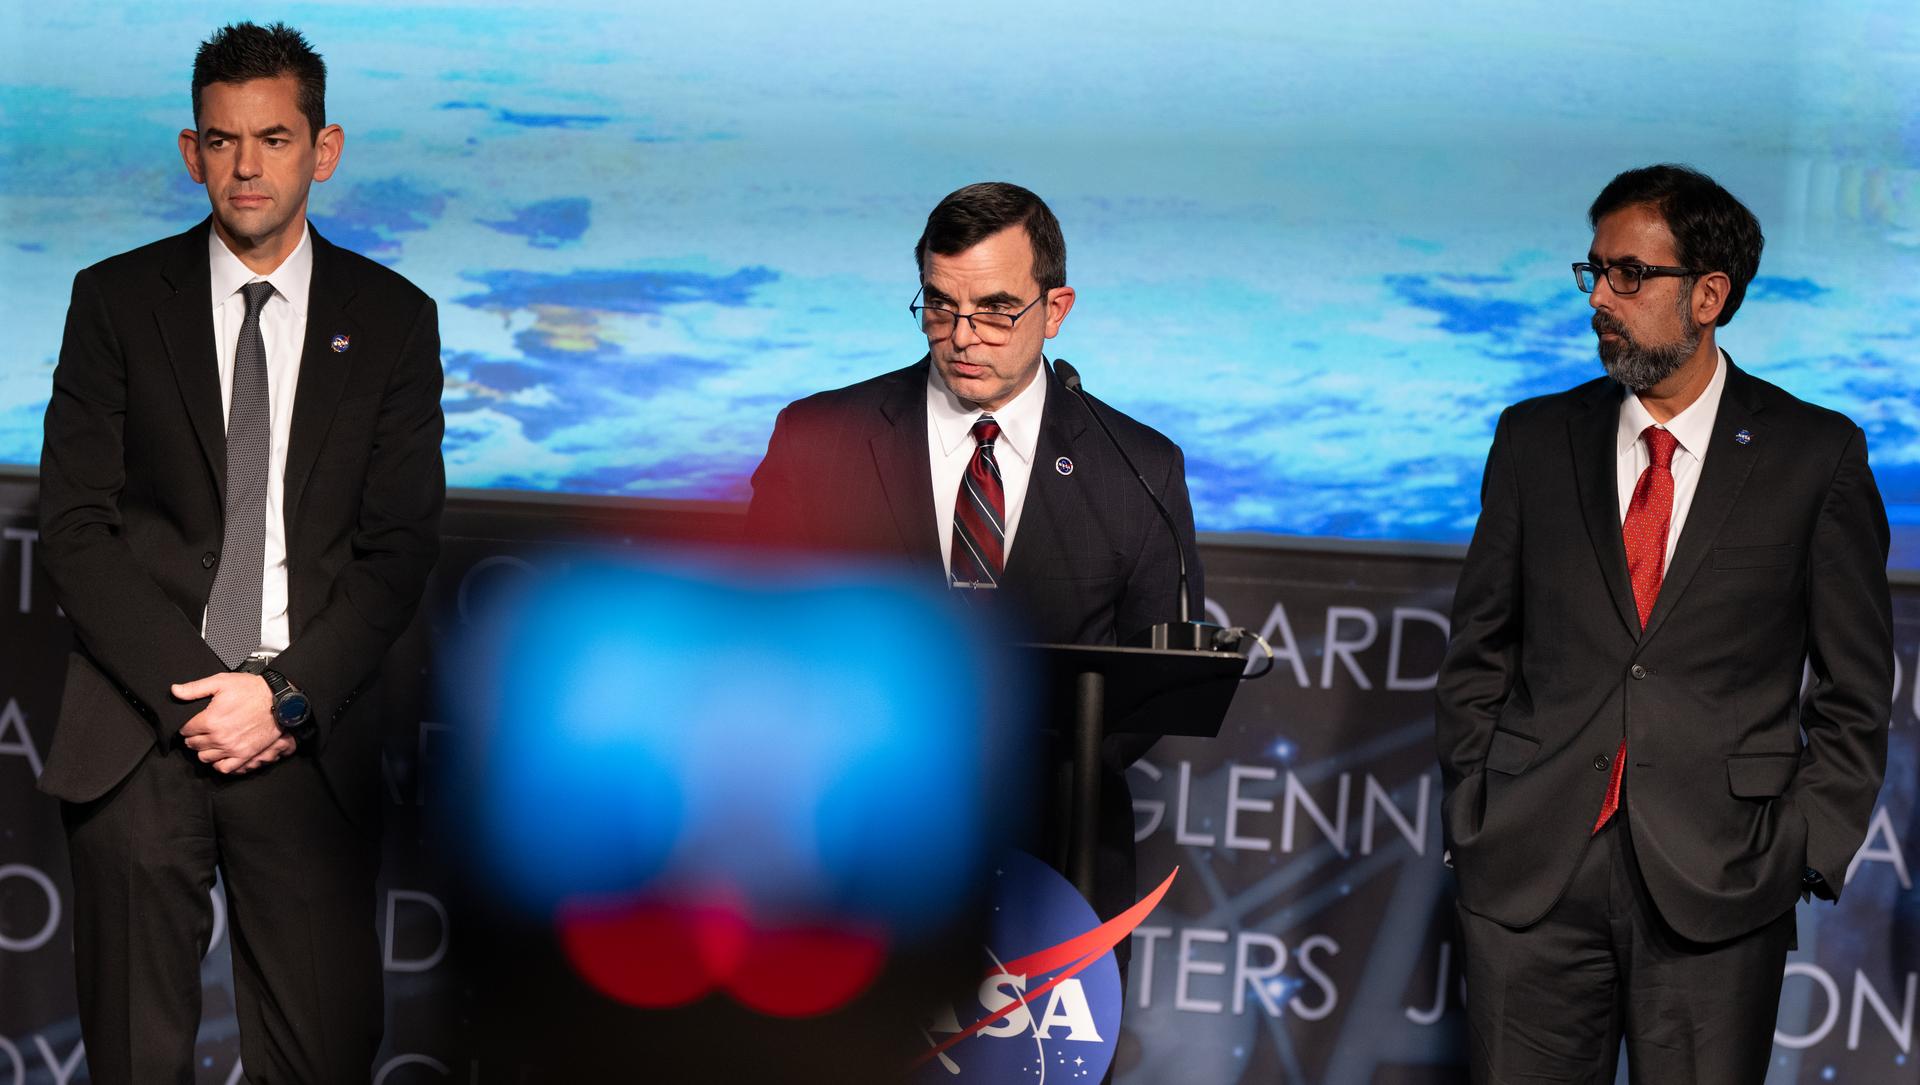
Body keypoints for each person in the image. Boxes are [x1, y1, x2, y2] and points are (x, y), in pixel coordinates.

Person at [36, 22, 444, 1082]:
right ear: (191, 150)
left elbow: (397, 550)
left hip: (304, 738)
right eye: (222, 141)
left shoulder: (394, 320)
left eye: (272, 137)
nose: (247, 165)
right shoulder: (116, 300)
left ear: (326, 146)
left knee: (320, 1056)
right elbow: (76, 529)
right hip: (140, 731)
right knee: (134, 1059)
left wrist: (283, 698)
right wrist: (194, 701)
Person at [1435, 164, 1892, 1082]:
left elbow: (1855, 691)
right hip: (1532, 871)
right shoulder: (1534, 439)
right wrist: (1478, 806)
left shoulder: (1815, 455)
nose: (1601, 298)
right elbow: (1478, 652)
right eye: (1594, 272)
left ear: (1709, 295)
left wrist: (1797, 849)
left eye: (1629, 275)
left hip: (1721, 885)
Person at [746, 180, 1200, 935]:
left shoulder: (1140, 470)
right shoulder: (818, 439)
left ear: (1055, 311)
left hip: (1057, 868)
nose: (962, 336)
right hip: (843, 865)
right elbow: (759, 633)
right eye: (939, 305)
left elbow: (1152, 678)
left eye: (995, 309)